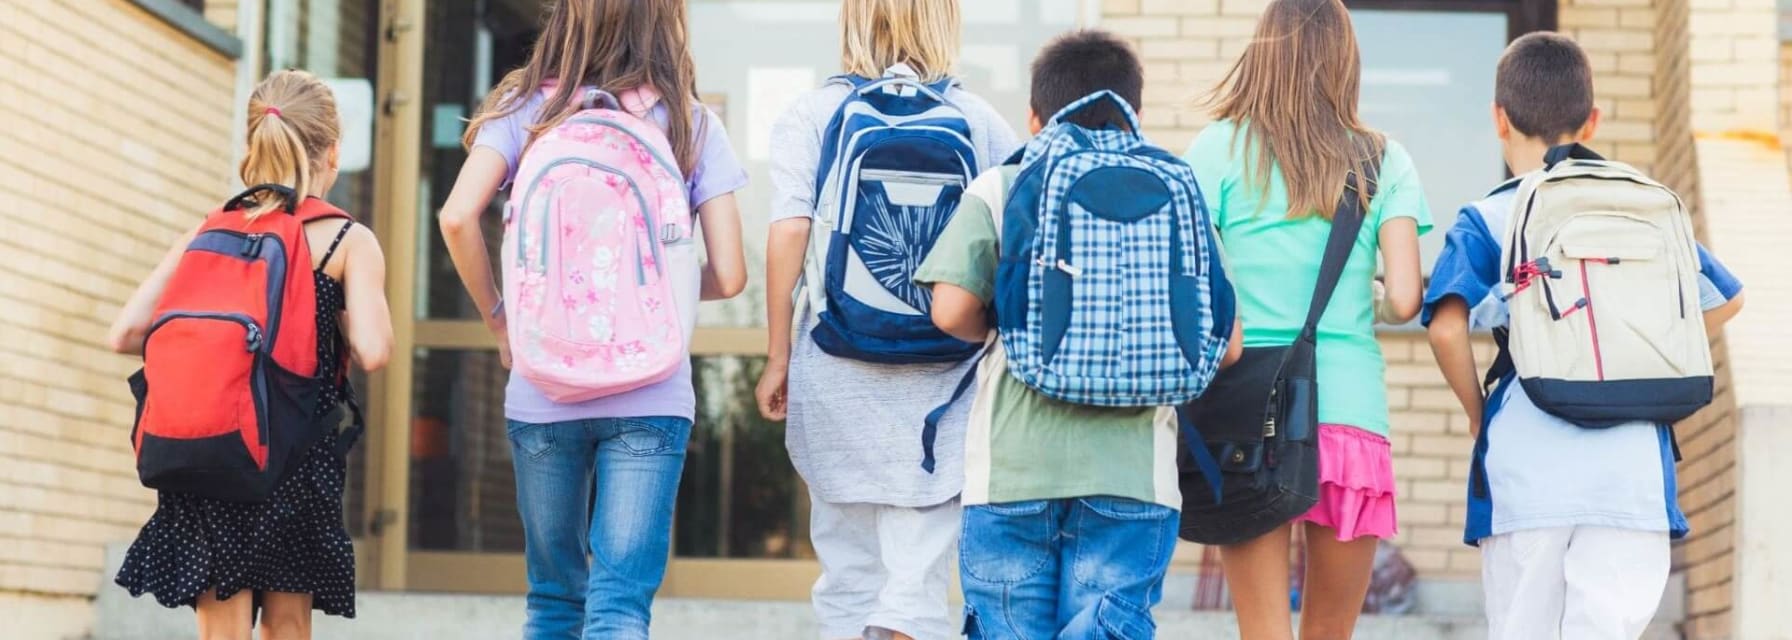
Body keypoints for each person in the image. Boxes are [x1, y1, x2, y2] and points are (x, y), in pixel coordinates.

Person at [437, 0, 748, 637]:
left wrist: (502, 320)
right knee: (620, 609)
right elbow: (734, 273)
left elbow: (455, 217)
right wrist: (661, 291)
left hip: (542, 389)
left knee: (552, 601)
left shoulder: (527, 110)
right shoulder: (689, 121)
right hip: (651, 392)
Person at [917, 30, 1239, 638]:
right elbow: (1228, 344)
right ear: (1134, 116)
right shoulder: (1179, 190)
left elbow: (950, 311)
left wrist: (1009, 323)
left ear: (1035, 117)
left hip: (1012, 470)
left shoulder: (1005, 185)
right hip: (1134, 474)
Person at [1423, 32, 1744, 640]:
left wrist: (1475, 413)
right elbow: (1728, 299)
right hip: (1631, 474)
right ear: (1591, 121)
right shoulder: (1643, 207)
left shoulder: (1490, 216)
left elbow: (1446, 330)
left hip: (1528, 470)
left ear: (1499, 119)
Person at [753, 1, 1018, 638]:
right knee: (916, 590)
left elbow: (789, 233)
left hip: (835, 374)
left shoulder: (812, 115)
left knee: (846, 578)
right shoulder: (979, 120)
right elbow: (1015, 241)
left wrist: (776, 356)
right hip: (942, 393)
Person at [111, 69, 394, 640]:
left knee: (222, 631)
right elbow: (374, 349)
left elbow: (125, 333)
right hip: (296, 455)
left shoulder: (211, 231)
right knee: (288, 626)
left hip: (213, 445)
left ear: (254, 145)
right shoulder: (344, 240)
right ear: (333, 151)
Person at [1180, 0, 1432, 637]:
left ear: (1265, 52)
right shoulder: (1384, 159)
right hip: (1347, 407)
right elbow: (1405, 299)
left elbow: (1191, 281)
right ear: (1345, 61)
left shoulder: (1216, 148)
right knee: (1331, 632)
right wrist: (1360, 298)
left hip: (1245, 411)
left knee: (1262, 631)